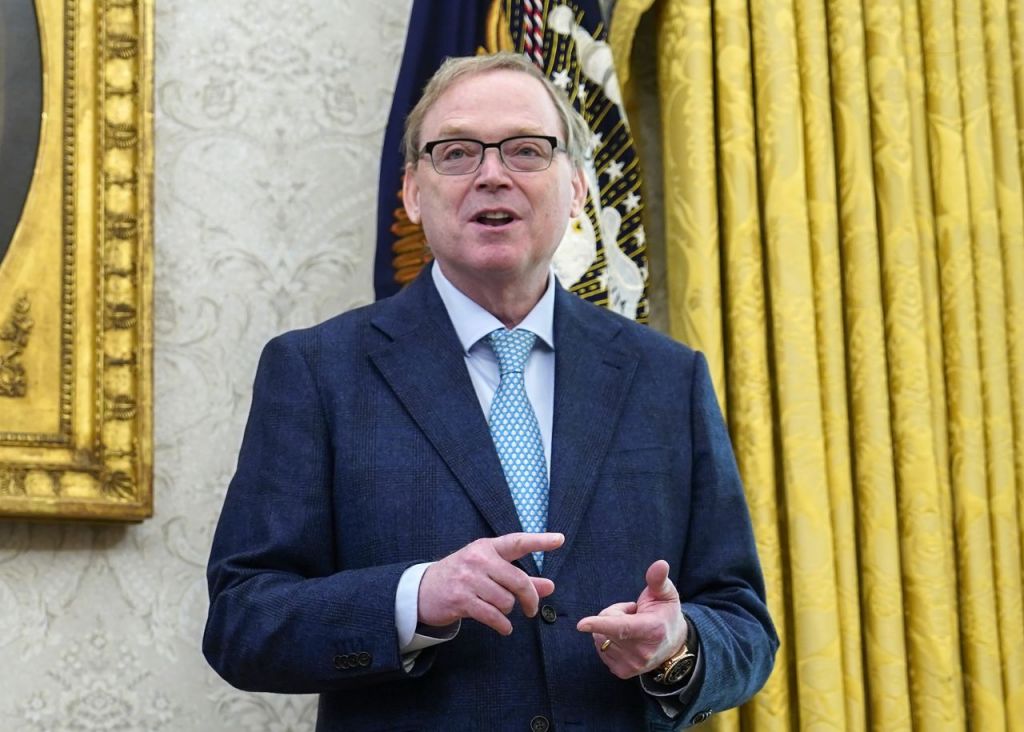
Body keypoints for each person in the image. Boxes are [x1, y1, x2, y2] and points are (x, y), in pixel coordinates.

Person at [203, 52, 777, 731]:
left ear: (577, 189)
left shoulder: (668, 378)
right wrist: (414, 597)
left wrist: (678, 648)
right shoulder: (316, 371)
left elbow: (743, 620)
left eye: (527, 150)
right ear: (413, 192)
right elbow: (243, 620)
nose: (492, 174)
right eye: (456, 153)